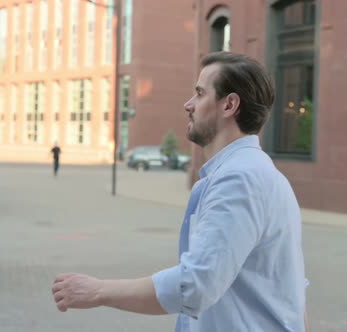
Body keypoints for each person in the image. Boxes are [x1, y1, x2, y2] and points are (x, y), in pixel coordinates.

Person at [51, 52, 309, 332]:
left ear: (229, 105)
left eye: (200, 94)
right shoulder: (258, 174)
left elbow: (195, 286)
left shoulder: (239, 179)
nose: (188, 104)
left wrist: (98, 291)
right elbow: (294, 291)